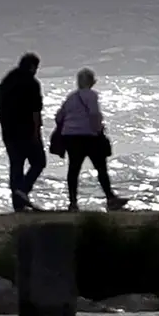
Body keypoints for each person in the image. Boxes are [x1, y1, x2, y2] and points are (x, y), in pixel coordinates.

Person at [50, 67, 124, 210]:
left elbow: (59, 116)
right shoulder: (92, 96)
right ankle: (110, 198)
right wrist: (98, 130)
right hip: (89, 137)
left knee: (73, 169)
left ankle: (73, 202)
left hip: (71, 137)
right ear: (92, 82)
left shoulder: (71, 97)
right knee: (101, 167)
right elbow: (94, 114)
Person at [0, 53, 49, 211]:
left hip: (9, 131)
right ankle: (23, 190)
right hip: (27, 130)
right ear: (32, 66)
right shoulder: (31, 83)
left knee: (16, 165)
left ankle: (18, 204)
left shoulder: (6, 82)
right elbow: (35, 111)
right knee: (39, 162)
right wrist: (37, 132)